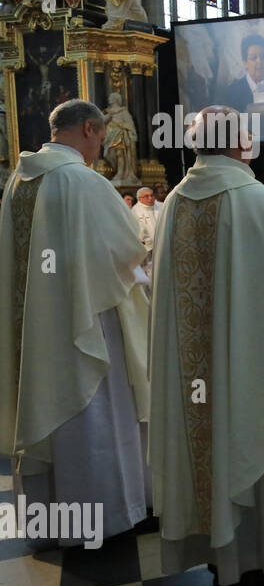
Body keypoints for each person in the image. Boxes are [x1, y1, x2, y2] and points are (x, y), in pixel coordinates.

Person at [150, 105, 264, 586]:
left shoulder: (174, 201)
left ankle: (225, 554)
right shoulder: (262, 202)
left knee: (210, 440)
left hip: (196, 376)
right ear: (241, 143)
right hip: (259, 361)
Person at [0, 99, 151, 546]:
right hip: (86, 323)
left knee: (48, 410)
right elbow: (126, 249)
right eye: (102, 136)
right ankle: (107, 518)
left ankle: (51, 521)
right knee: (93, 415)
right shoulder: (81, 181)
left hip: (34, 329)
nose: (102, 145)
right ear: (89, 128)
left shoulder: (17, 181)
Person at [220, 33, 264, 112]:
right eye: (253, 58)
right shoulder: (233, 92)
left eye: (263, 57)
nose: (259, 61)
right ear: (245, 62)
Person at [134, 185, 159, 282]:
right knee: (147, 274)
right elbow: (135, 229)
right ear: (139, 198)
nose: (150, 198)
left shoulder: (160, 208)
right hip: (146, 250)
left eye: (152, 195)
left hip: (161, 247)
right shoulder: (135, 211)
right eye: (146, 196)